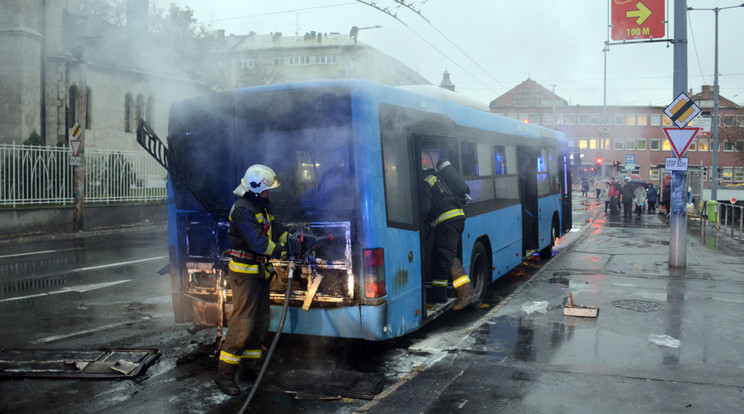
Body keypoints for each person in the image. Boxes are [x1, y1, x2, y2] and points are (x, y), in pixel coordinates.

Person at [215, 164, 294, 396]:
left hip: (259, 273)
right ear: (255, 188)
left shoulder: (261, 206)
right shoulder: (242, 209)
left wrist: (292, 237)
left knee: (260, 323)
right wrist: (281, 250)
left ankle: (250, 370)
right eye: (267, 191)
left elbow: (275, 230)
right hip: (244, 275)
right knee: (242, 324)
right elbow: (259, 243)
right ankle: (225, 375)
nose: (269, 195)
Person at [420, 150, 478, 311]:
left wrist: (420, 221)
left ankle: (467, 295)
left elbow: (425, 207)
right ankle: (439, 293)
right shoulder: (438, 177)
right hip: (456, 218)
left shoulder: (425, 181)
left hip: (447, 222)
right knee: (440, 257)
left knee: (448, 259)